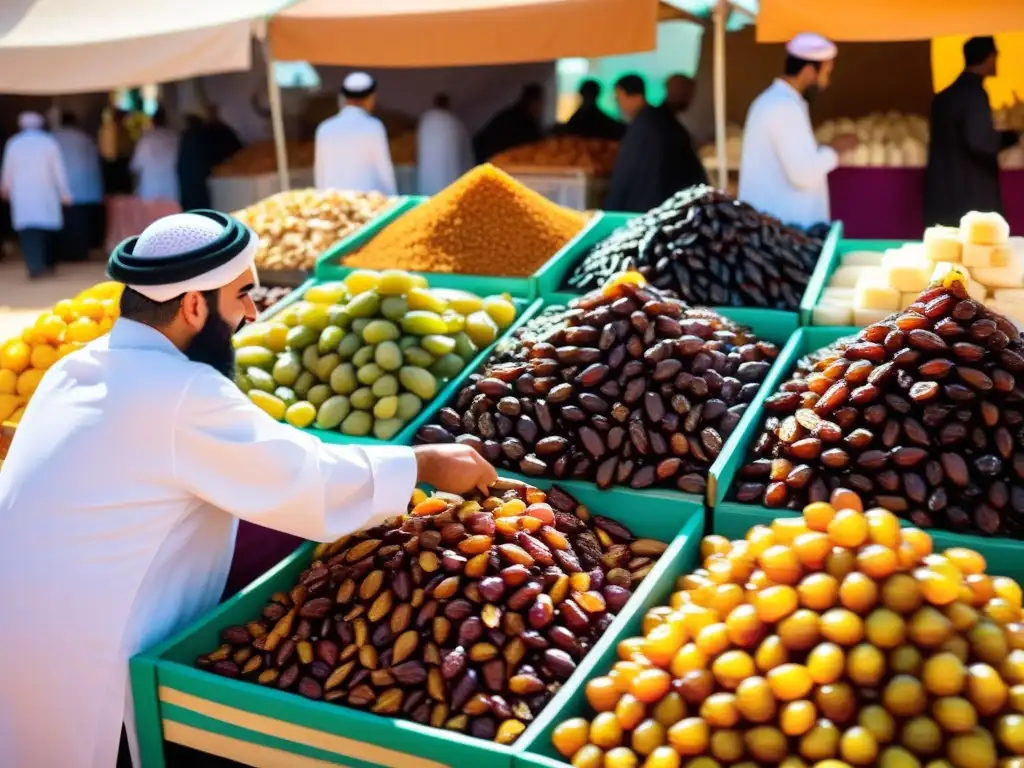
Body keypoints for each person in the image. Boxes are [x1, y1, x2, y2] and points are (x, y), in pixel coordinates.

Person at [0, 209, 498, 768]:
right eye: (242, 295)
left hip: (21, 654)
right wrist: (425, 463)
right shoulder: (182, 390)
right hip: (94, 674)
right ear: (194, 306)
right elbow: (306, 484)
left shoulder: (71, 369)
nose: (253, 312)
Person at [738, 33, 857, 228]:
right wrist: (835, 149)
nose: (827, 82)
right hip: (782, 230)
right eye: (826, 73)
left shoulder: (779, 102)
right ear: (809, 71)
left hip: (778, 228)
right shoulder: (783, 106)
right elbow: (804, 174)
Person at [925, 36, 1021, 226]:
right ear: (990, 58)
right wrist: (1010, 138)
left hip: (942, 190)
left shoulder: (944, 96)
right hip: (971, 193)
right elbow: (981, 142)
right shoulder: (974, 95)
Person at [604, 74, 708, 213]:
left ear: (623, 93)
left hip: (647, 209)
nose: (618, 104)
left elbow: (625, 174)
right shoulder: (659, 121)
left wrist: (611, 210)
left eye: (618, 98)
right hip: (667, 207)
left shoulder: (645, 125)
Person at [0, 111, 70, 278]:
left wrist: (5, 188)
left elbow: (7, 170)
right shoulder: (49, 142)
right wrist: (64, 192)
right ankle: (48, 265)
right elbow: (58, 170)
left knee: (29, 233)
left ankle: (35, 267)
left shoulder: (14, 143)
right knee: (47, 231)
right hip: (46, 194)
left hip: (22, 195)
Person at [315, 72, 397, 195]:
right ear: (370, 98)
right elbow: (384, 172)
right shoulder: (373, 127)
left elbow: (320, 174)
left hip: (333, 203)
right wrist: (393, 200)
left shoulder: (324, 128)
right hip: (366, 205)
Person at [53, 111, 104, 262]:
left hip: (61, 188)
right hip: (83, 188)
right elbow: (94, 162)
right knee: (81, 223)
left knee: (63, 223)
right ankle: (80, 253)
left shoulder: (53, 138)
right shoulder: (85, 138)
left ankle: (64, 254)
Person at [472, 83, 545, 163]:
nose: (541, 108)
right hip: (488, 159)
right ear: (532, 102)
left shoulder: (513, 114)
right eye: (540, 103)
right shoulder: (521, 121)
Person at [416, 92, 473, 195]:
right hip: (449, 173)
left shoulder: (426, 120)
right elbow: (464, 150)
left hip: (428, 173)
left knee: (430, 191)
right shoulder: (454, 121)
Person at [130, 106, 180, 203]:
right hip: (171, 187)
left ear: (152, 122)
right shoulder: (175, 138)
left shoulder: (145, 140)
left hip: (150, 189)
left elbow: (135, 166)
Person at [553, 79, 625, 141]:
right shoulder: (605, 121)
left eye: (590, 93)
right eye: (587, 93)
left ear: (580, 93)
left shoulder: (578, 118)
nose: (588, 96)